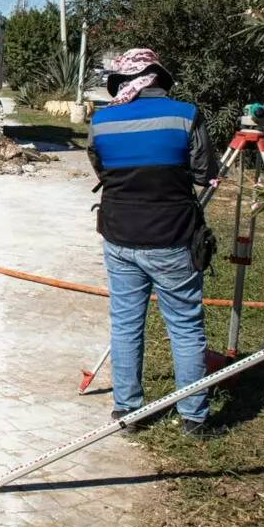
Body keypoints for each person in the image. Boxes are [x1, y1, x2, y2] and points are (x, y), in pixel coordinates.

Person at [88, 48, 220, 440]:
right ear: (159, 77)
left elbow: (102, 169)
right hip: (172, 238)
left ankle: (128, 410)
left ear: (123, 82)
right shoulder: (185, 115)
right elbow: (203, 174)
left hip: (120, 236)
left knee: (126, 324)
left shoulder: (101, 121)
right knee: (184, 326)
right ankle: (193, 417)